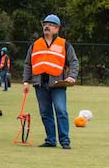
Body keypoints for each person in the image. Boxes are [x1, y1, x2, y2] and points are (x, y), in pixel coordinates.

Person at [23, 14, 78, 150]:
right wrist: (25, 81)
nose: (47, 27)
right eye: (45, 24)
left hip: (57, 84)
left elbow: (74, 62)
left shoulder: (64, 44)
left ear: (57, 29)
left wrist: (71, 76)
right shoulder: (35, 44)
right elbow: (28, 64)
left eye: (51, 25)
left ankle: (65, 140)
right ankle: (51, 140)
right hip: (39, 84)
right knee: (45, 113)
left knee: (61, 110)